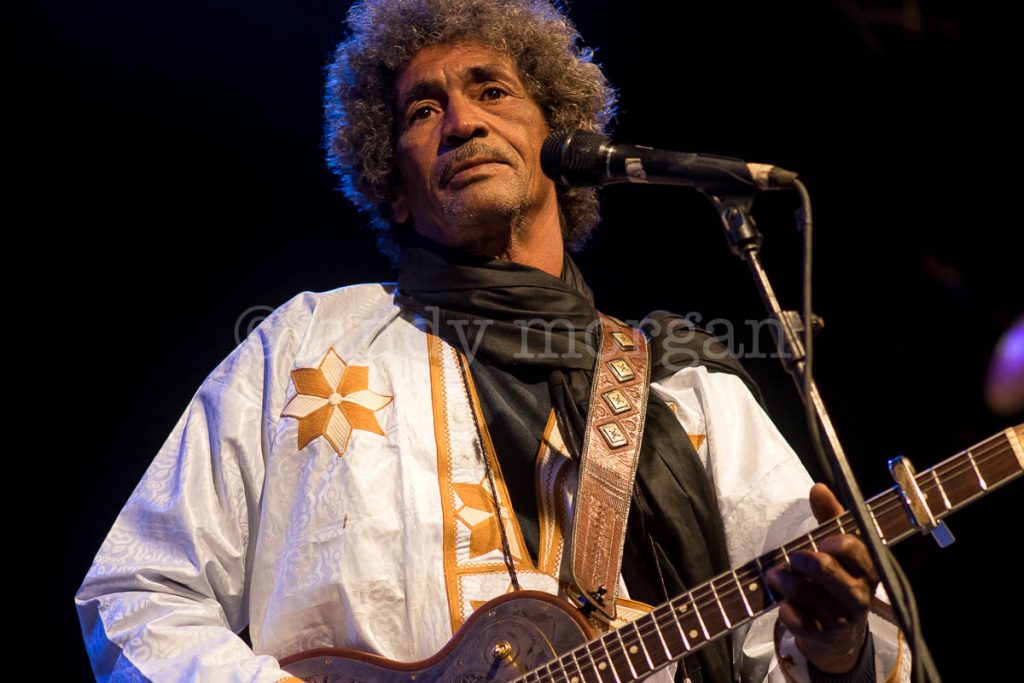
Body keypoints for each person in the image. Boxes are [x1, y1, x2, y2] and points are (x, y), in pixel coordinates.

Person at [76, 1, 910, 681]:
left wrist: (837, 648)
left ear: (561, 145)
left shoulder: (686, 389)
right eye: (424, 108)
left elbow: (804, 651)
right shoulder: (306, 347)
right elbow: (138, 590)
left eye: (493, 91)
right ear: (393, 185)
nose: (464, 122)